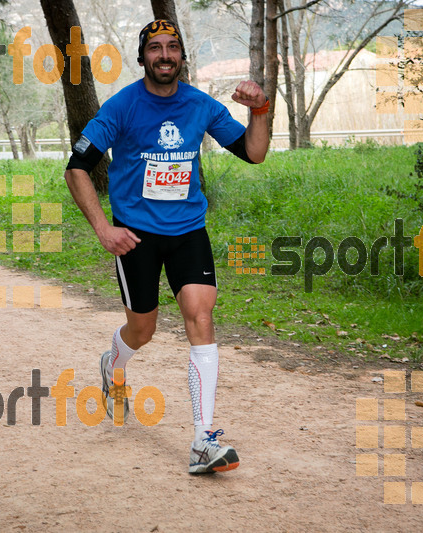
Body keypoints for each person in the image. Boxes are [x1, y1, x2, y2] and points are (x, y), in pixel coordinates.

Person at [64, 19, 269, 474]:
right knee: (143, 330)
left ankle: (203, 439)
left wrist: (261, 110)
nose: (164, 55)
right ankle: (113, 363)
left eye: (171, 47)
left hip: (188, 231)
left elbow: (254, 152)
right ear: (142, 58)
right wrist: (102, 229)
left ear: (181, 56)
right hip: (135, 235)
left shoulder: (199, 105)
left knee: (201, 315)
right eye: (154, 48)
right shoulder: (121, 108)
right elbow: (77, 168)